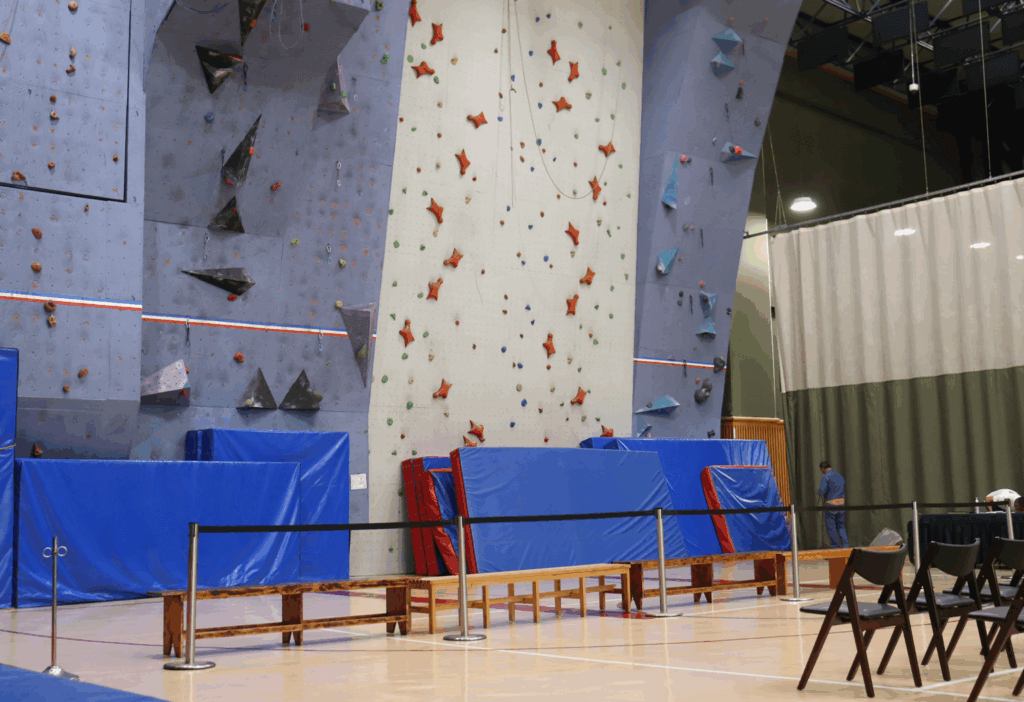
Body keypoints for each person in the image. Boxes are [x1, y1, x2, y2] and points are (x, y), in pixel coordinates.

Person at [818, 460, 849, 548]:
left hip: (831, 505)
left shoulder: (825, 477)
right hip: (841, 504)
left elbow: (821, 491)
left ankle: (836, 548)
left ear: (823, 469)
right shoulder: (839, 476)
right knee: (841, 526)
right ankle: (846, 546)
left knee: (832, 528)